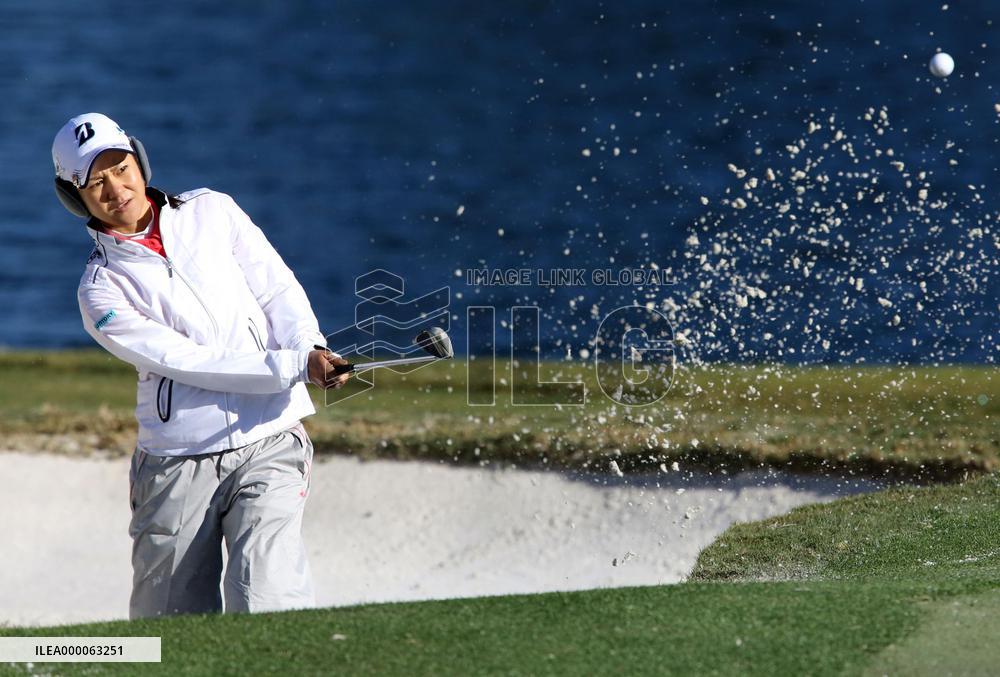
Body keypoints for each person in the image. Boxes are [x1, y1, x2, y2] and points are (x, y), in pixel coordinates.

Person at [51, 112, 350, 619]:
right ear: (73, 195)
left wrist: (310, 345)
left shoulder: (213, 210)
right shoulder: (100, 291)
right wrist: (294, 365)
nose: (115, 188)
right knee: (170, 626)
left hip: (272, 434)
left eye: (120, 168)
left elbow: (277, 289)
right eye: (94, 181)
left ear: (139, 160)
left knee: (267, 600)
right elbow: (188, 362)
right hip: (177, 460)